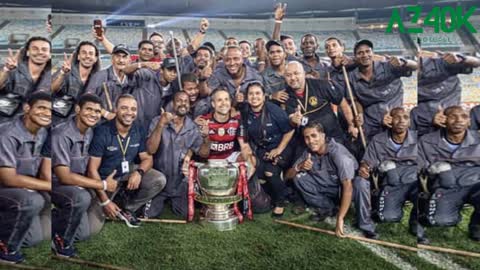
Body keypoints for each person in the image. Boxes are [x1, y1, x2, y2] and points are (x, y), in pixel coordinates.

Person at [51, 94, 118, 257]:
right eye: (89, 109)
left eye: (97, 111)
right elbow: (64, 177)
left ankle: (58, 215)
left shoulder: (89, 131)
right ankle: (60, 242)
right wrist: (101, 185)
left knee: (85, 233)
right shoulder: (61, 134)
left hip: (77, 185)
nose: (94, 114)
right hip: (54, 184)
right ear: (77, 109)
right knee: (81, 198)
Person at [87, 94, 166, 228]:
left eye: (133, 109)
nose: (129, 113)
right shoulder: (101, 132)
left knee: (158, 179)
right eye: (124, 108)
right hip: (105, 180)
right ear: (115, 109)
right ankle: (111, 200)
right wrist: (105, 201)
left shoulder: (138, 129)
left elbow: (147, 158)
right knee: (93, 226)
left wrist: (139, 173)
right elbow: (91, 170)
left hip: (125, 172)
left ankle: (128, 207)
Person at [0, 92, 52, 263]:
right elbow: (8, 178)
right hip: (5, 186)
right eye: (41, 108)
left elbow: (44, 163)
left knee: (33, 239)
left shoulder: (43, 131)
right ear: (27, 108)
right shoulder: (7, 133)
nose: (46, 113)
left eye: (50, 110)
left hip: (21, 188)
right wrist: (46, 186)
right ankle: (5, 250)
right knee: (33, 200)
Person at [354, 107, 420, 240]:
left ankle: (416, 223)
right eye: (397, 117)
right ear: (390, 120)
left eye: (405, 117)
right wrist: (364, 168)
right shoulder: (378, 139)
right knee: (359, 182)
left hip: (409, 183)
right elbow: (367, 161)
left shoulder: (419, 139)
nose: (401, 121)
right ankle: (366, 225)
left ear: (410, 122)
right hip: (384, 183)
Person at [418, 105, 480, 242]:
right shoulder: (427, 140)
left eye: (464, 117)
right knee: (440, 220)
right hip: (445, 187)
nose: (459, 120)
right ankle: (424, 216)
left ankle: (477, 226)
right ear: (444, 120)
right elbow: (419, 167)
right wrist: (434, 169)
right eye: (453, 116)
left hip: (474, 185)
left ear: (469, 121)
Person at [286, 121, 356, 238]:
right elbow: (287, 176)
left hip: (344, 190)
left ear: (323, 136)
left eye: (314, 136)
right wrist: (300, 166)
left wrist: (340, 218)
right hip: (326, 186)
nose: (311, 141)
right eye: (307, 138)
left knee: (357, 185)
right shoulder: (308, 152)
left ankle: (345, 210)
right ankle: (328, 207)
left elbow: (348, 186)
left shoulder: (338, 153)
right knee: (298, 178)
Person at [145, 92, 204, 218]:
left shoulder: (193, 127)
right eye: (179, 100)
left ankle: (176, 197)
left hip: (180, 182)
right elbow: (151, 149)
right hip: (159, 181)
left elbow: (200, 151)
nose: (183, 103)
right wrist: (161, 124)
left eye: (186, 101)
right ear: (172, 103)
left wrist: (207, 137)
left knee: (186, 214)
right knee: (148, 214)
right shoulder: (158, 120)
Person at [348, 39, 417, 141]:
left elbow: (415, 66)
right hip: (370, 124)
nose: (365, 55)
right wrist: (360, 114)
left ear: (373, 53)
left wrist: (403, 62)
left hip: (395, 120)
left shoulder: (388, 66)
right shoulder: (351, 77)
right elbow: (356, 100)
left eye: (368, 51)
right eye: (360, 53)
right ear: (355, 57)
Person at [243, 82, 294, 216]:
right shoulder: (245, 112)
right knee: (259, 173)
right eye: (251, 94)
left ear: (264, 96)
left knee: (270, 172)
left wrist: (278, 150)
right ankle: (270, 197)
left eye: (258, 93)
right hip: (261, 148)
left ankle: (281, 201)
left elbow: (289, 131)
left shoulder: (274, 110)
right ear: (247, 97)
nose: (254, 97)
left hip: (282, 146)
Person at [284, 61, 345, 163]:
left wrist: (352, 124)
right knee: (297, 167)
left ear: (303, 73)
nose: (293, 78)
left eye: (296, 73)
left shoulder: (321, 85)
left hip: (332, 136)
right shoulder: (284, 96)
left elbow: (342, 102)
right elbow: (290, 120)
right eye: (288, 75)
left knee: (341, 163)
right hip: (307, 142)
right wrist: (293, 120)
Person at [417, 52, 480, 136]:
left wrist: (461, 58)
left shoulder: (438, 63)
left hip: (448, 98)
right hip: (425, 108)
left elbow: (476, 62)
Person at [0, 36, 51, 124]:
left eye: (44, 49)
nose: (40, 52)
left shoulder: (53, 76)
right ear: (27, 52)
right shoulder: (11, 69)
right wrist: (6, 69)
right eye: (35, 49)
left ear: (49, 54)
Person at [51, 41, 101, 125]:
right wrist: (63, 73)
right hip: (59, 121)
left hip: (84, 124)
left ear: (95, 58)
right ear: (78, 56)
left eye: (91, 53)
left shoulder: (99, 78)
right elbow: (52, 89)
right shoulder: (66, 71)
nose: (87, 56)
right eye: (84, 53)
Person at [128, 57, 179, 131]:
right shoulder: (147, 75)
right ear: (161, 70)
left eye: (175, 71)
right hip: (133, 124)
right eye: (169, 70)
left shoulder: (173, 89)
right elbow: (126, 71)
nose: (173, 74)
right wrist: (143, 64)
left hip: (151, 128)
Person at [86, 44, 132, 121]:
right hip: (100, 122)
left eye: (124, 57)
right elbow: (87, 99)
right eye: (118, 56)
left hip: (121, 124)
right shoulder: (100, 76)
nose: (121, 60)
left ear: (129, 60)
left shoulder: (131, 78)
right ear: (112, 59)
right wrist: (105, 113)